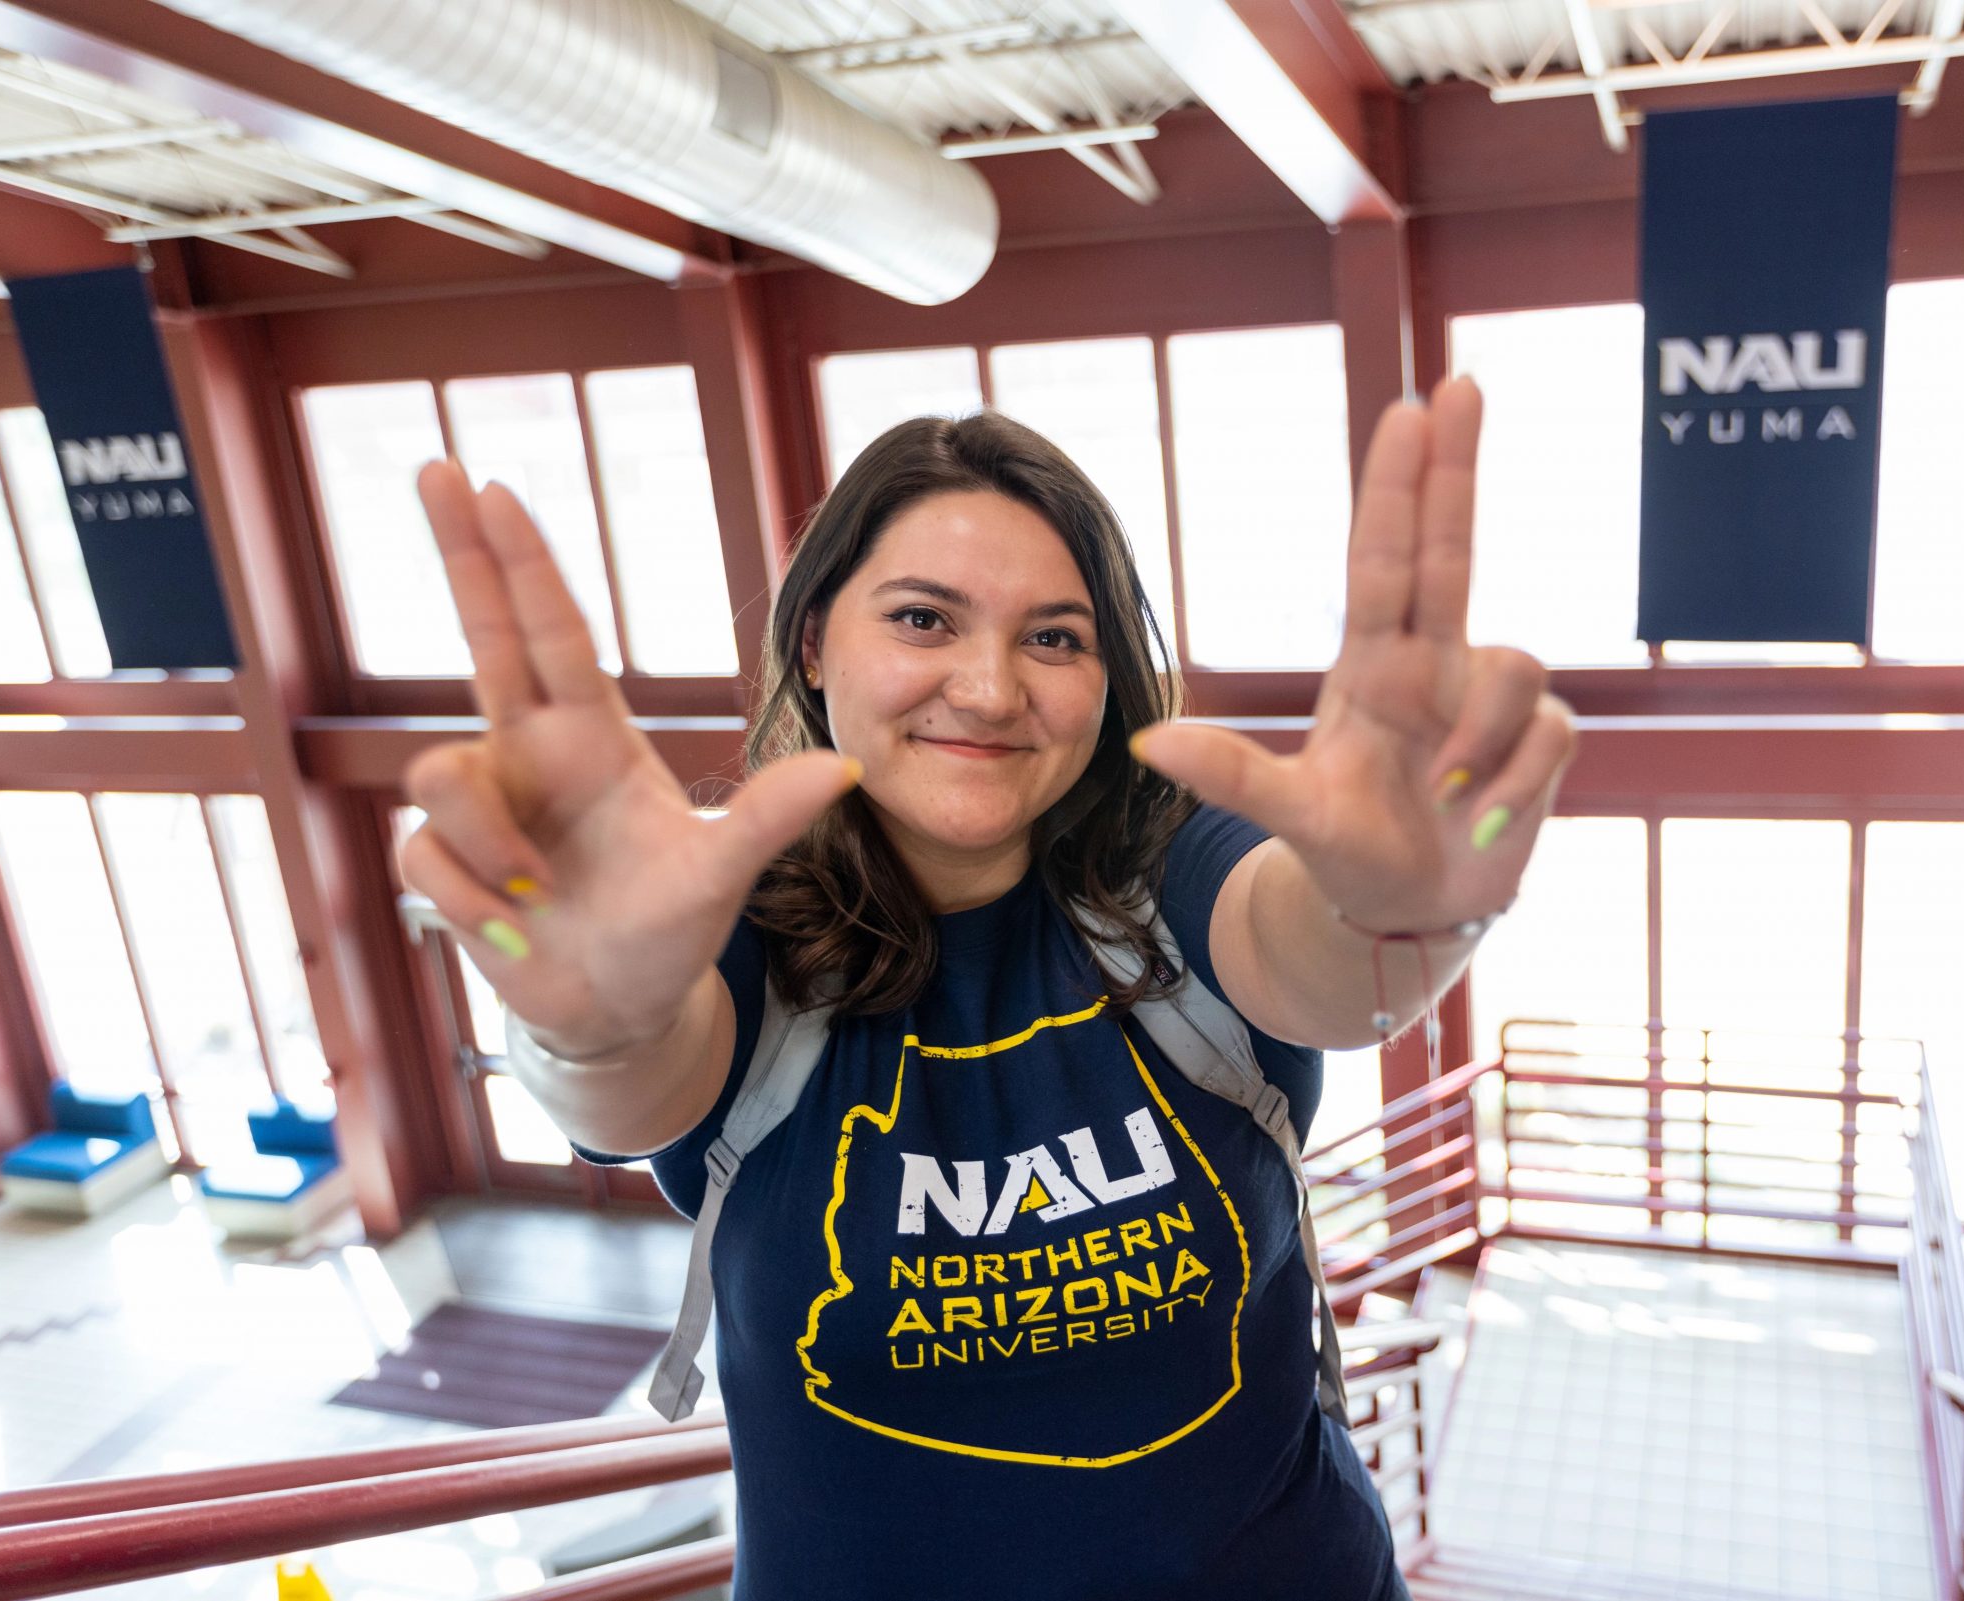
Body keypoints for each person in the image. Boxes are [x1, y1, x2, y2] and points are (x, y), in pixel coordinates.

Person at [397, 377, 1574, 1599]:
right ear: (813, 643)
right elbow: (634, 1078)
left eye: (1055, 636)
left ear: (1108, 674)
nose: (991, 686)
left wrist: (1396, 913)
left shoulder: (1174, 870)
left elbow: (1315, 960)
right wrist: (589, 1022)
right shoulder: (724, 918)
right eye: (923, 619)